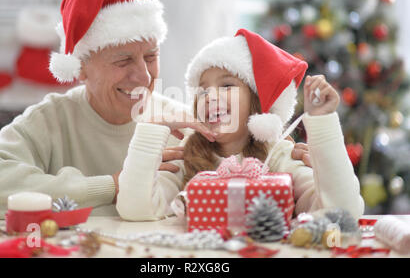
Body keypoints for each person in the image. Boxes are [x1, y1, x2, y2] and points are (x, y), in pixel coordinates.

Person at [0, 0, 311, 224]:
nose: (143, 76)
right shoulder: (51, 120)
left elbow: (250, 171)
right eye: (123, 60)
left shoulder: (185, 127)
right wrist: (108, 186)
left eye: (151, 56)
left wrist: (291, 154)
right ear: (81, 68)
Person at [116, 29, 365, 221]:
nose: (210, 96)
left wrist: (322, 123)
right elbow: (134, 209)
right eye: (202, 90)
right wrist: (152, 126)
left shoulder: (279, 157)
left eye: (226, 85)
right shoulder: (186, 156)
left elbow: (342, 212)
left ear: (257, 105)